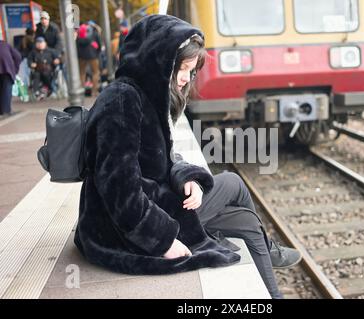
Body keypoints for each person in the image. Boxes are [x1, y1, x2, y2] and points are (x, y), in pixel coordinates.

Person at [74, 15, 300, 299]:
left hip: (157, 197)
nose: (186, 78)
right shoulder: (122, 100)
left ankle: (268, 256)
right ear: (157, 59)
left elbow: (161, 157)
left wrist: (186, 177)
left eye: (191, 71)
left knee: (236, 191)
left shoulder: (142, 94)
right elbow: (118, 189)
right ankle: (270, 267)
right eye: (181, 68)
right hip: (126, 226)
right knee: (245, 217)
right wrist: (162, 240)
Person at [76, 23, 101, 96]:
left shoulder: (79, 32)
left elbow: (77, 43)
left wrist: (79, 54)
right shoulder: (94, 31)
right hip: (93, 55)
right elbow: (99, 43)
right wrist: (97, 53)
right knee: (95, 72)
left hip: (81, 56)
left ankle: (81, 91)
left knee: (82, 73)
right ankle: (94, 92)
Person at [0, 40, 21, 116]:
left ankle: (3, 111)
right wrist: (15, 69)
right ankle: (5, 111)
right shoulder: (5, 44)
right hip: (7, 70)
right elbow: (18, 56)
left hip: (6, 69)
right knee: (6, 90)